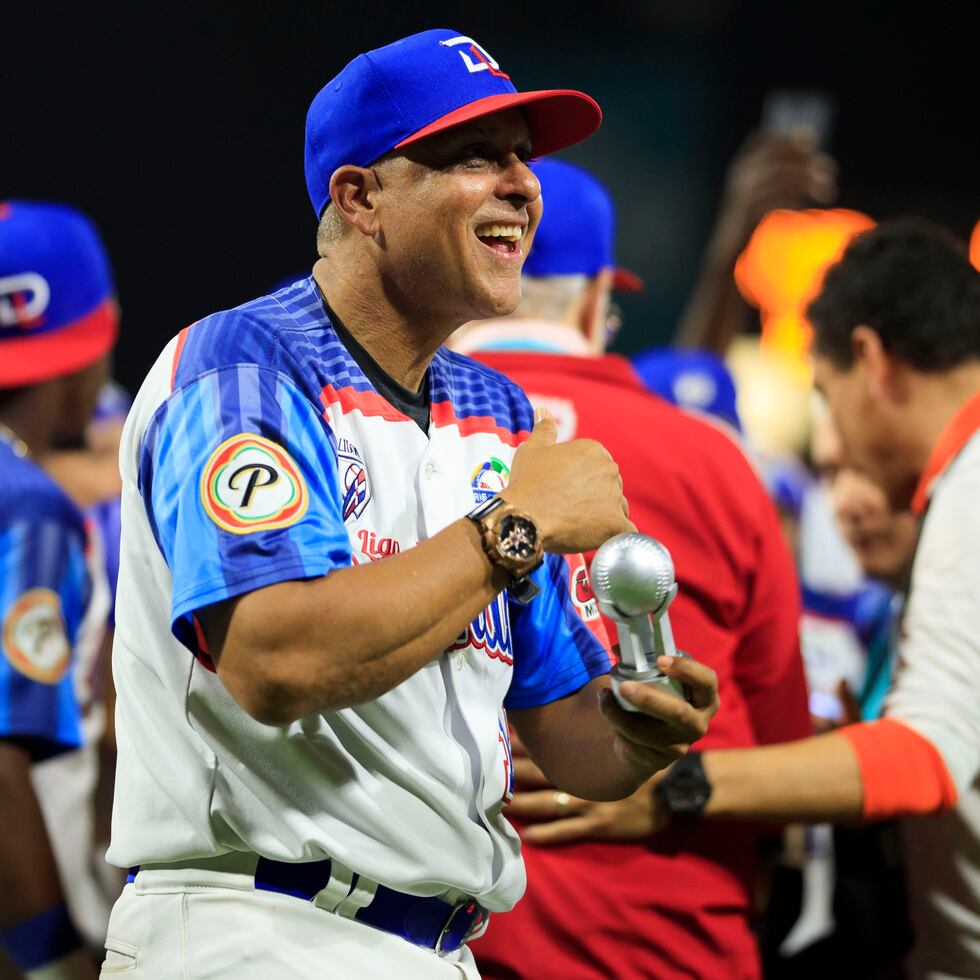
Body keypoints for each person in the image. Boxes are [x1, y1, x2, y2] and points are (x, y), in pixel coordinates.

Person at [101, 30, 719, 979]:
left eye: (523, 156)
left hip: (440, 944)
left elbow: (565, 730)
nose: (523, 185)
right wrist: (514, 528)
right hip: (256, 927)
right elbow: (272, 658)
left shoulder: (497, 414)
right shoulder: (244, 370)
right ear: (360, 199)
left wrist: (639, 728)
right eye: (476, 155)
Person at [452, 158, 810, 980]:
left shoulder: (398, 442)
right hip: (666, 938)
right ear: (594, 299)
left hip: (433, 935)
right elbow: (781, 745)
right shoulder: (715, 460)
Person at [646, 219, 980, 980]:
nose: (834, 444)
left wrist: (682, 787)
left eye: (826, 395)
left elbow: (924, 754)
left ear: (870, 361)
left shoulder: (971, 484)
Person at [0, 201, 118, 979]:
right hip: (25, 920)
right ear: (90, 351)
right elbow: (3, 755)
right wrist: (53, 962)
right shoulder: (29, 505)